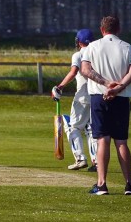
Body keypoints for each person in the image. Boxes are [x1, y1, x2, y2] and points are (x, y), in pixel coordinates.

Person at [79, 16, 131, 196]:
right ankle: (129, 184)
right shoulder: (128, 47)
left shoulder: (92, 47)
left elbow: (86, 70)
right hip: (121, 97)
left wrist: (106, 84)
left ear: (102, 29)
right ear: (118, 29)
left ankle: (102, 184)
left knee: (102, 139)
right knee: (121, 141)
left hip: (99, 96)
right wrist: (119, 87)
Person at [51, 28, 98, 171]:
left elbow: (73, 72)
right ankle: (96, 162)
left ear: (78, 41)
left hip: (83, 97)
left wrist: (60, 87)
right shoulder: (98, 54)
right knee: (91, 130)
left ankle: (80, 158)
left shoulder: (78, 54)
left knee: (73, 127)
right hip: (98, 96)